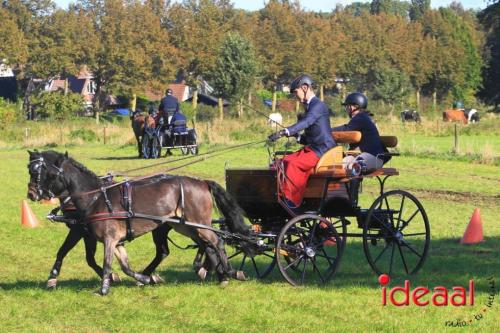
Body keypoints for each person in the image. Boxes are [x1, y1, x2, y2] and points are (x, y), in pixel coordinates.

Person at [268, 74, 336, 212]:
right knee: (280, 162)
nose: (295, 96)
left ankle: (291, 201)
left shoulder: (318, 105)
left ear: (305, 88)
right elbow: (311, 135)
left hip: (323, 150)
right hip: (312, 149)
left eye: (296, 92)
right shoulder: (310, 106)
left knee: (293, 163)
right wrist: (297, 136)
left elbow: (307, 122)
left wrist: (285, 131)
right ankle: (278, 196)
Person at [333, 92, 385, 174]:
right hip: (364, 155)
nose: (346, 109)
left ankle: (353, 186)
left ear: (353, 106)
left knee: (354, 167)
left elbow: (345, 129)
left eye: (347, 106)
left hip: (374, 157)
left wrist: (325, 131)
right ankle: (346, 186)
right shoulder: (363, 117)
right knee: (340, 165)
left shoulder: (361, 117)